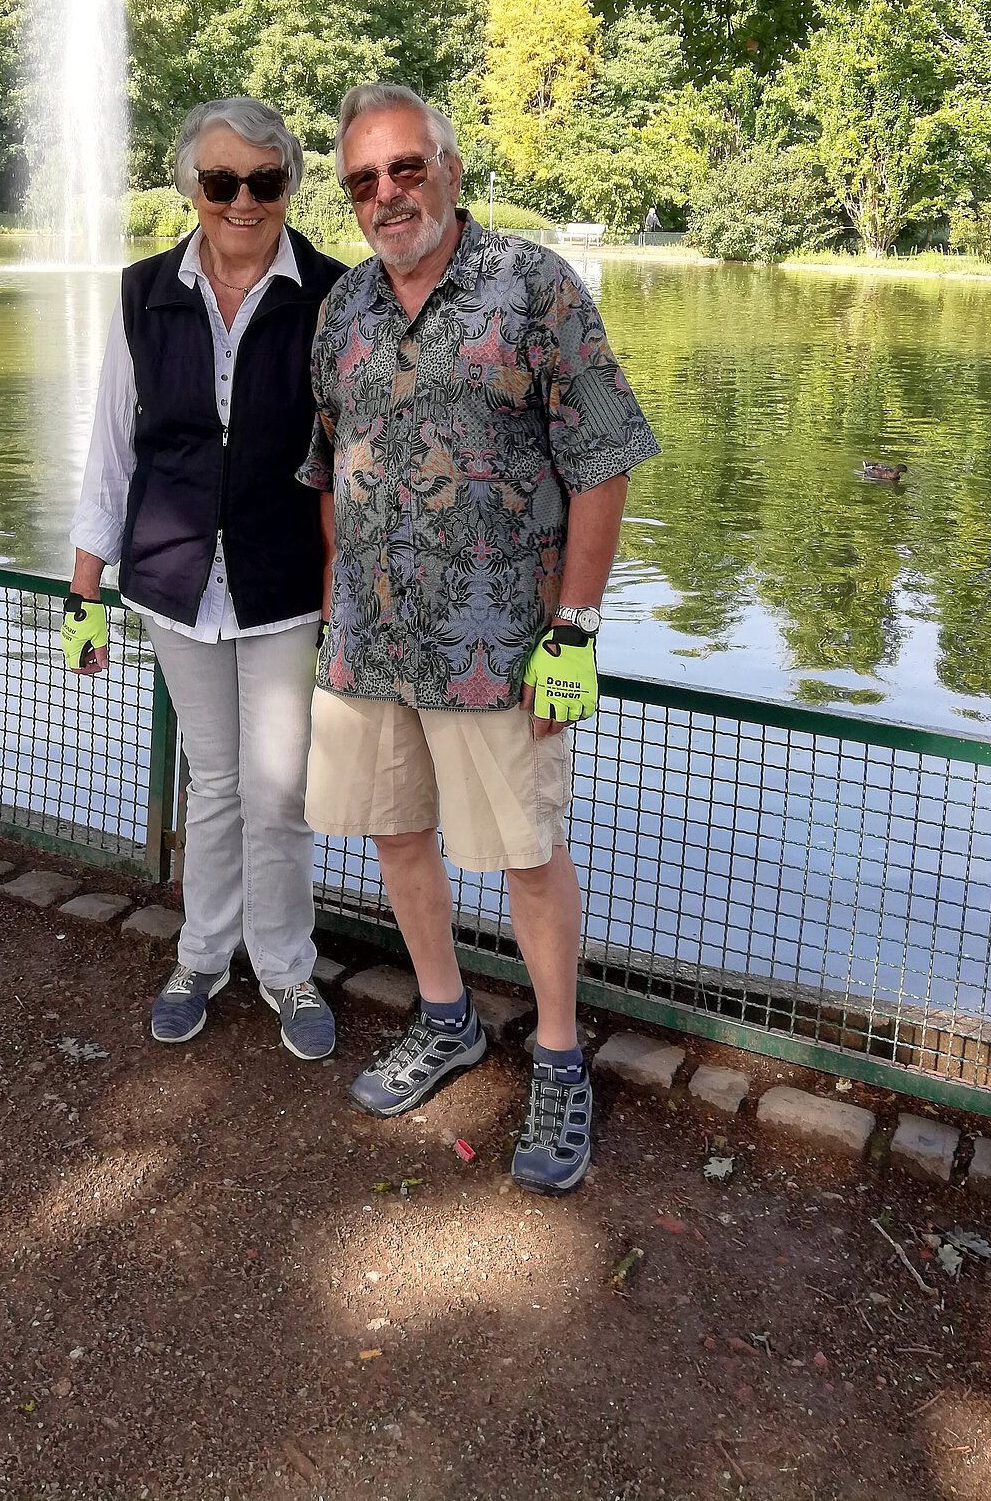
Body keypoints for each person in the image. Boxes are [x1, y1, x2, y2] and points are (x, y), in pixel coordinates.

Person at [299, 82, 659, 1193]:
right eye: (364, 180)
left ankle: (557, 1059)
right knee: (394, 834)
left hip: (499, 643)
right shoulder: (344, 310)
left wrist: (575, 629)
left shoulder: (532, 284)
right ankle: (448, 1016)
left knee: (526, 854)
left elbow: (603, 456)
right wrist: (329, 609)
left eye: (406, 168)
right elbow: (329, 466)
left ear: (449, 169)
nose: (386, 194)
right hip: (370, 638)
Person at [65, 98, 346, 1059]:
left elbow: (356, 462)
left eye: (264, 182)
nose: (242, 201)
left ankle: (287, 968)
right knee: (215, 777)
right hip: (174, 578)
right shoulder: (144, 292)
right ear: (191, 187)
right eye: (221, 181)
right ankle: (202, 953)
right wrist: (83, 589)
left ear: (288, 189)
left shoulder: (332, 296)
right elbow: (110, 450)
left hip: (285, 582)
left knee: (278, 789)